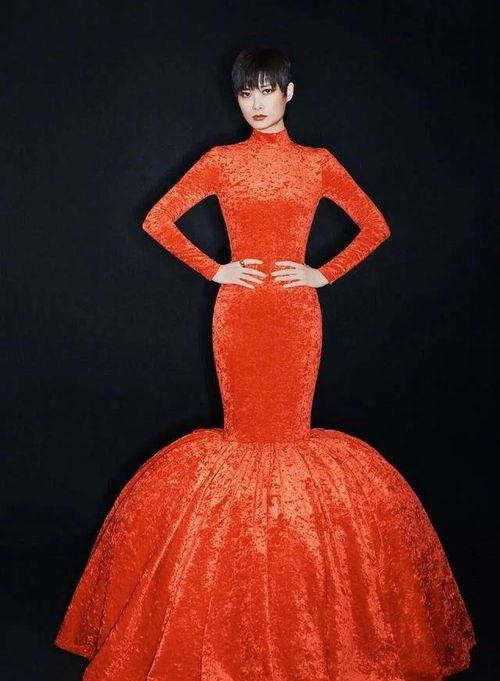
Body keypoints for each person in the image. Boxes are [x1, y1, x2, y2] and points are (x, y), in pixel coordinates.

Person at [54, 47, 476, 680]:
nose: (255, 103)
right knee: (245, 441)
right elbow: (159, 220)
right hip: (238, 317)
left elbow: (376, 226)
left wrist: (323, 273)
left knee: (287, 442)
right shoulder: (221, 162)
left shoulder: (317, 163)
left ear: (289, 93)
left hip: (297, 319)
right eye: (245, 93)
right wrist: (215, 269)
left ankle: (294, 614)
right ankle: (235, 621)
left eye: (266, 90)